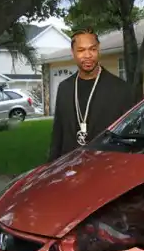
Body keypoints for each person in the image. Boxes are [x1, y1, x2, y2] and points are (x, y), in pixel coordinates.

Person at [48, 28, 136, 162]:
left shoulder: (120, 89)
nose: (88, 55)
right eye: (81, 50)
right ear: (73, 52)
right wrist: (51, 166)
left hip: (105, 166)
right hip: (69, 167)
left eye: (92, 49)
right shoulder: (64, 88)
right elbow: (57, 135)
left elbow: (128, 137)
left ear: (98, 49)